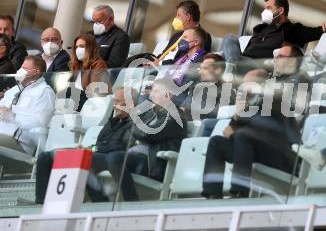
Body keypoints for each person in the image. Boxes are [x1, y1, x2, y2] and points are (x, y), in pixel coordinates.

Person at [35, 81, 187, 203]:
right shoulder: (147, 115)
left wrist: (133, 116)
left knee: (114, 157)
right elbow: (125, 136)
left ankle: (131, 203)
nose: (150, 94)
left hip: (150, 162)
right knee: (80, 157)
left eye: (155, 91)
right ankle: (97, 200)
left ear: (168, 95)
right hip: (128, 157)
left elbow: (148, 134)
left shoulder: (174, 116)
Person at [202, 69, 302, 198]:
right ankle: (212, 193)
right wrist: (237, 115)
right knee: (217, 142)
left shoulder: (276, 100)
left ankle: (239, 192)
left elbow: (260, 133)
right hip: (254, 151)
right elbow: (229, 131)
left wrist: (235, 133)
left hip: (281, 156)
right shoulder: (249, 104)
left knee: (242, 136)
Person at [222, 0, 326, 62]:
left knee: (226, 56)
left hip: (260, 66)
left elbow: (318, 32)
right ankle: (232, 66)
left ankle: (232, 68)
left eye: (269, 8)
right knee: (229, 38)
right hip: (242, 60)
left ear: (280, 10)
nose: (265, 11)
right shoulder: (261, 28)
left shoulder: (293, 30)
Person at [123, 0, 212, 67]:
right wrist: (155, 61)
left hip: (170, 68)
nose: (176, 18)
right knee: (136, 60)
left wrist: (160, 63)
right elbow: (164, 53)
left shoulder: (204, 37)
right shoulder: (177, 35)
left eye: (178, 15)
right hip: (158, 63)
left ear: (188, 17)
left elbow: (191, 59)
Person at [0, 55, 55, 156]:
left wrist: (13, 116)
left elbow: (41, 124)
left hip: (21, 142)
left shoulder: (45, 92)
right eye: (21, 67)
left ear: (36, 72)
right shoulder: (13, 90)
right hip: (3, 135)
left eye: (24, 69)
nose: (20, 70)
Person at [180, 53, 234, 121]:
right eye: (200, 68)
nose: (200, 72)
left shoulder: (226, 92)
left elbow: (214, 116)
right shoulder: (197, 85)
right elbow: (184, 107)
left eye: (205, 68)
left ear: (218, 70)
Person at [63, 34, 108, 111]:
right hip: (74, 101)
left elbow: (95, 91)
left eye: (82, 46)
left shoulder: (99, 64)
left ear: (90, 48)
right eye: (76, 47)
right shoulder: (77, 65)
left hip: (89, 103)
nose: (78, 49)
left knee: (69, 91)